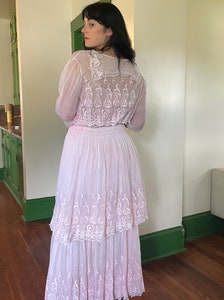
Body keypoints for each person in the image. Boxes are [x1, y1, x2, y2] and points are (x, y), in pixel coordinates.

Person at [44, 2, 148, 299]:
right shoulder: (135, 73)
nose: (84, 30)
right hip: (119, 149)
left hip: (85, 148)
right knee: (114, 220)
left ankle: (81, 290)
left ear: (110, 30)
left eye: (91, 24)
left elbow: (64, 112)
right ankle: (111, 288)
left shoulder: (80, 61)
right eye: (84, 23)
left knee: (81, 220)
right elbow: (138, 124)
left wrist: (88, 122)